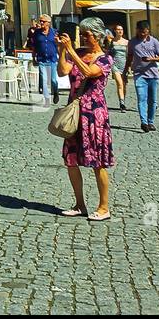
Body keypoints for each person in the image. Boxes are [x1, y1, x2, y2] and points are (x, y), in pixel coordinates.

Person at [57, 18, 114, 222]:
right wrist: (62, 50)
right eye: (81, 33)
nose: (82, 37)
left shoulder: (105, 59)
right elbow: (62, 71)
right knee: (71, 159)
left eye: (87, 34)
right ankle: (79, 204)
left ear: (97, 36)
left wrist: (71, 50)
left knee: (98, 162)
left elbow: (89, 72)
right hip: (74, 113)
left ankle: (104, 206)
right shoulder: (78, 53)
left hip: (94, 115)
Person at [124, 21, 159, 133]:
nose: (143, 34)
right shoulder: (132, 42)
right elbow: (129, 56)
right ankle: (144, 122)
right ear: (137, 30)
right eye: (141, 32)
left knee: (152, 100)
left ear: (148, 31)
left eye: (145, 32)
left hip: (153, 74)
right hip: (139, 74)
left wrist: (152, 59)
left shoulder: (154, 41)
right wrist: (125, 72)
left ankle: (150, 121)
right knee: (142, 98)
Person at [26, 14, 60, 106]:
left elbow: (58, 46)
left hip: (52, 59)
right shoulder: (36, 33)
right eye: (40, 21)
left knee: (53, 80)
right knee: (44, 80)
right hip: (41, 59)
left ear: (48, 23)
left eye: (43, 21)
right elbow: (34, 47)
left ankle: (55, 91)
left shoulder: (55, 32)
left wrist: (61, 57)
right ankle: (46, 99)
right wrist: (33, 57)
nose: (41, 23)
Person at [109, 23, 130, 111]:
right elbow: (109, 53)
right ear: (115, 31)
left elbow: (129, 55)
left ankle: (123, 100)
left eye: (121, 29)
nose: (120, 31)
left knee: (124, 85)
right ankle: (121, 103)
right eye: (118, 29)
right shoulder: (112, 42)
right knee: (119, 83)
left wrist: (129, 66)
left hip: (124, 64)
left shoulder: (127, 42)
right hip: (115, 64)